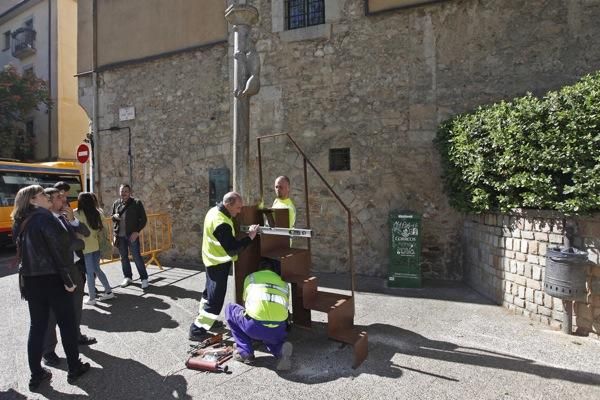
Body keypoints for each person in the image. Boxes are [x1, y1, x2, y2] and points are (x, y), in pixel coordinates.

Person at [11, 185, 90, 390]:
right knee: (67, 323)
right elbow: (60, 250)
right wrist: (68, 280)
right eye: (42, 194)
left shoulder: (20, 221)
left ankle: (36, 375)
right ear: (33, 200)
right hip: (52, 279)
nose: (47, 197)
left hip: (31, 281)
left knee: (37, 327)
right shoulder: (44, 217)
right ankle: (74, 368)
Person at [189, 192, 259, 341]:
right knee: (215, 301)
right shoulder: (222, 222)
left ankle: (208, 321)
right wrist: (250, 237)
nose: (240, 211)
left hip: (210, 259)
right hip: (218, 263)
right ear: (228, 205)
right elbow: (233, 248)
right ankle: (197, 330)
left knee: (208, 293)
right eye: (238, 207)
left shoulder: (213, 211)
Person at [225, 259, 293, 370]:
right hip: (280, 328)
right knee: (270, 331)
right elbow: (285, 306)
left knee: (230, 309)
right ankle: (280, 350)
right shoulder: (284, 283)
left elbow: (245, 303)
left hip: (255, 327)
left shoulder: (251, 278)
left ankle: (244, 352)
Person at [76, 192, 114, 305]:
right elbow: (104, 229)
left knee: (89, 272)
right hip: (97, 245)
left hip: (85, 247)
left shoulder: (77, 213)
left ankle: (92, 298)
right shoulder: (98, 212)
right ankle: (108, 291)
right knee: (96, 269)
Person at [111, 184, 149, 289]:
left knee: (137, 257)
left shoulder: (137, 203)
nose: (124, 193)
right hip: (120, 236)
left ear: (130, 192)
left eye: (126, 191)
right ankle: (127, 277)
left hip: (132, 235)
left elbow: (144, 219)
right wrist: (114, 217)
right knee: (123, 258)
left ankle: (144, 278)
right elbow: (112, 217)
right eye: (122, 191)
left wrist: (137, 232)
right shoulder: (116, 203)